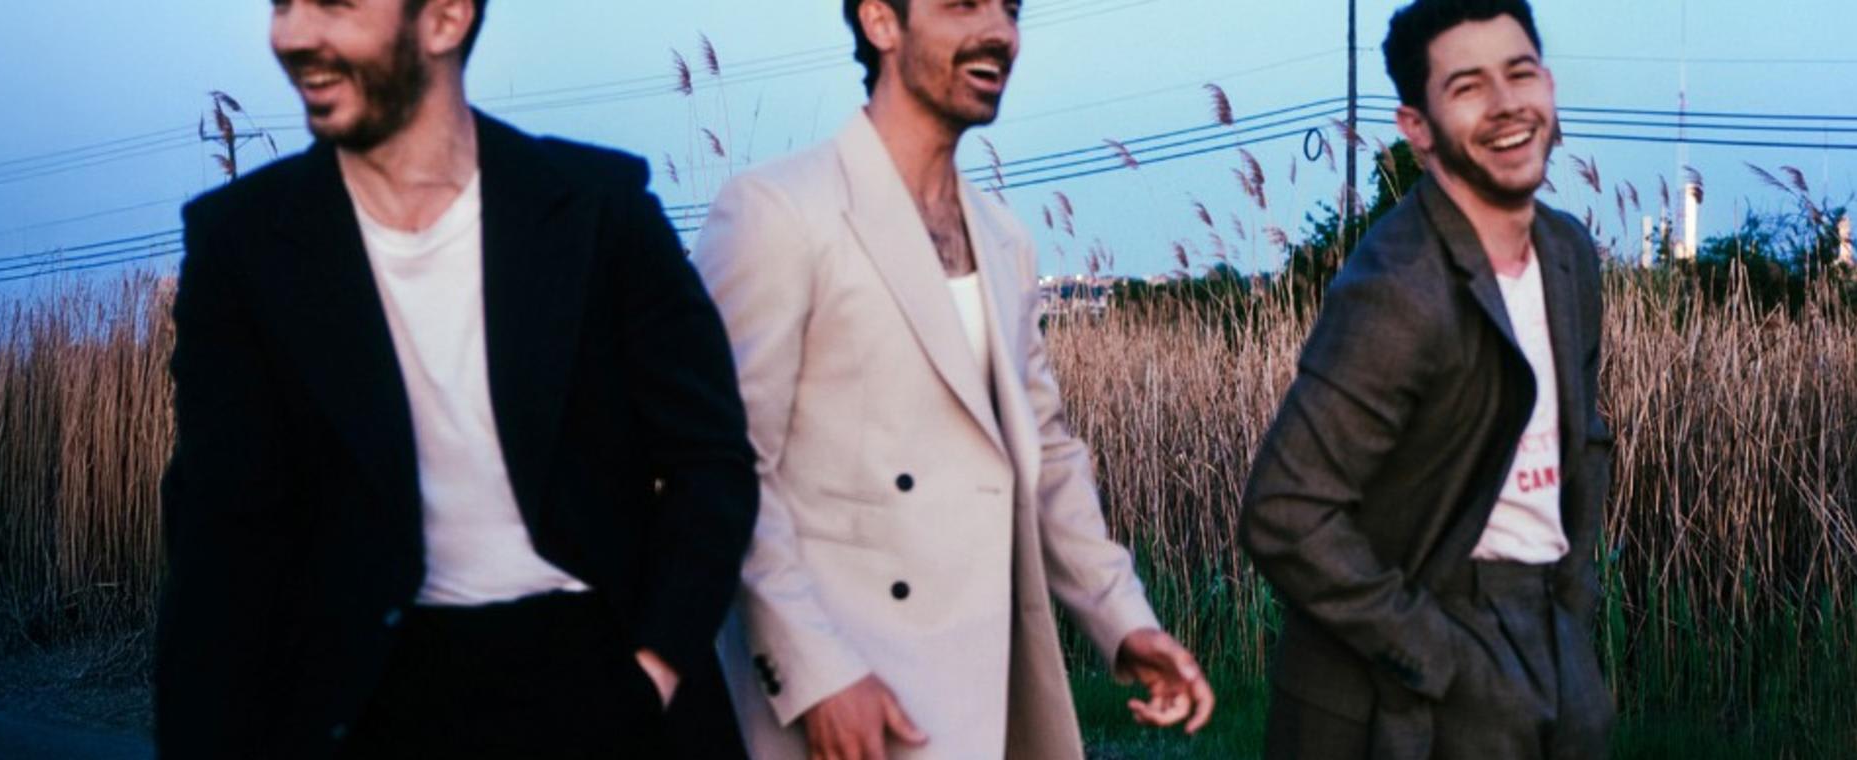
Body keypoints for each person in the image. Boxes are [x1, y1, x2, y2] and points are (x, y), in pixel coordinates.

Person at [154, 0, 757, 756]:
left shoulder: (596, 208)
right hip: (364, 696)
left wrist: (656, 666)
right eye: (283, 5)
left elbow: (712, 459)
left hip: (596, 674)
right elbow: (219, 540)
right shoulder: (241, 243)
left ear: (445, 19)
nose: (293, 34)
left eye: (333, 5)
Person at [691, 1, 1215, 758]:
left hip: (983, 684)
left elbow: (1046, 454)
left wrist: (1124, 621)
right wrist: (816, 674)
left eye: (1011, 9)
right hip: (849, 698)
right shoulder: (778, 212)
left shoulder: (1003, 239)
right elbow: (726, 464)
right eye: (964, 4)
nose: (999, 31)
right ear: (881, 22)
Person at [1239, 0, 1616, 757]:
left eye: (1520, 73)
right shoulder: (1399, 284)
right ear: (1417, 128)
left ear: (1548, 85)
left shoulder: (1567, 254)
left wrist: (1572, 611)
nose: (1507, 104)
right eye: (1468, 86)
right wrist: (1439, 658)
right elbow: (1285, 511)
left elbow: (1582, 442)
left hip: (1550, 636)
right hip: (1418, 673)